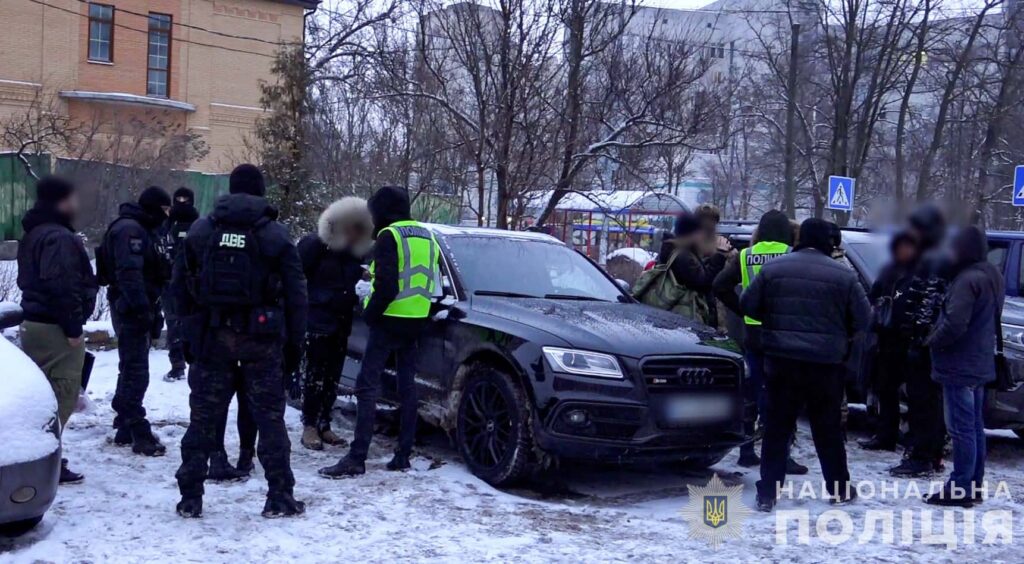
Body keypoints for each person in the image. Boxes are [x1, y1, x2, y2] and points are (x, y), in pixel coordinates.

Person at [173, 164, 308, 518]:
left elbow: (178, 289)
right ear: (261, 192)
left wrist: (187, 336)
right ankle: (279, 496)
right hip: (261, 342)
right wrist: (295, 346)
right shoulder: (276, 236)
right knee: (270, 421)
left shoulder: (202, 230)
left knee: (202, 420)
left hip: (213, 338)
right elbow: (297, 296)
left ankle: (190, 497)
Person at [741, 218, 871, 512]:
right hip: (826, 366)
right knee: (827, 430)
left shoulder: (773, 269)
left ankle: (767, 494)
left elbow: (748, 305)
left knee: (777, 429)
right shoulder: (844, 276)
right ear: (829, 242)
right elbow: (864, 318)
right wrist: (842, 334)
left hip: (781, 362)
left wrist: (772, 324)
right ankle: (839, 488)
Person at [319, 186, 439, 478]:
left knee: (366, 386)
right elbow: (433, 282)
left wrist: (371, 315)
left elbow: (387, 287)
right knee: (407, 387)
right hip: (416, 320)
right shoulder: (427, 235)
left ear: (384, 210)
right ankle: (403, 454)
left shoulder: (390, 236)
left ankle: (356, 458)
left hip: (388, 319)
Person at [17, 176, 99, 483]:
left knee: (40, 398)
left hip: (37, 323)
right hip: (56, 329)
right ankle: (44, 463)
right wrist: (73, 327)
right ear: (62, 201)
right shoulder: (58, 237)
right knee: (61, 396)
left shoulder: (36, 232)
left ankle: (38, 460)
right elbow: (61, 284)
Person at [713, 210, 807, 475]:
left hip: (753, 334)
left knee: (753, 391)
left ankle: (746, 451)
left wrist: (744, 310)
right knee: (781, 395)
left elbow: (719, 286)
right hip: (784, 334)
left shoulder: (745, 255)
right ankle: (780, 454)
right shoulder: (794, 254)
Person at [923, 226, 1003, 507]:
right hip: (979, 361)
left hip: (959, 364)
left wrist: (930, 339)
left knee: (960, 429)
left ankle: (959, 487)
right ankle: (973, 484)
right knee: (974, 427)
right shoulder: (991, 274)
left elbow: (955, 323)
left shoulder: (966, 279)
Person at [100, 186, 171, 456]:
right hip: (131, 308)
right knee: (136, 370)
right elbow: (129, 274)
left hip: (136, 306)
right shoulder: (131, 231)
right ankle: (137, 428)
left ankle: (124, 423)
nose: (166, 216)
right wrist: (142, 309)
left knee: (131, 366)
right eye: (164, 210)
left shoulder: (140, 228)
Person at [297, 197, 373, 450]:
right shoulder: (315, 245)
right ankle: (309, 424)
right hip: (317, 320)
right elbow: (296, 278)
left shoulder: (354, 254)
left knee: (332, 376)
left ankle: (324, 423)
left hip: (341, 322)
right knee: (314, 375)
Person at [888, 205, 950, 477]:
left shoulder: (935, 259)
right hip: (922, 342)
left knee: (924, 401)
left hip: (924, 345)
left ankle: (924, 456)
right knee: (925, 401)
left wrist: (918, 337)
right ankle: (927, 452)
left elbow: (930, 302)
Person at [859, 231, 920, 451]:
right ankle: (886, 435)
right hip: (886, 340)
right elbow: (872, 298)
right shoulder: (888, 272)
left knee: (915, 394)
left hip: (912, 342)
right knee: (886, 389)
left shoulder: (919, 274)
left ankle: (914, 438)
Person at [650, 210, 729, 325]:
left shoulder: (678, 251)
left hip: (675, 315)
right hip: (683, 318)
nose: (702, 235)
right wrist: (720, 256)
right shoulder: (682, 256)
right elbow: (702, 283)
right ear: (691, 234)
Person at [160, 187, 199, 382]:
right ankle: (178, 364)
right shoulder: (166, 225)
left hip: (191, 282)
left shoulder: (199, 226)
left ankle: (189, 361)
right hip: (171, 281)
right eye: (179, 199)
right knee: (174, 323)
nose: (183, 202)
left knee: (187, 322)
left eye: (186, 199)